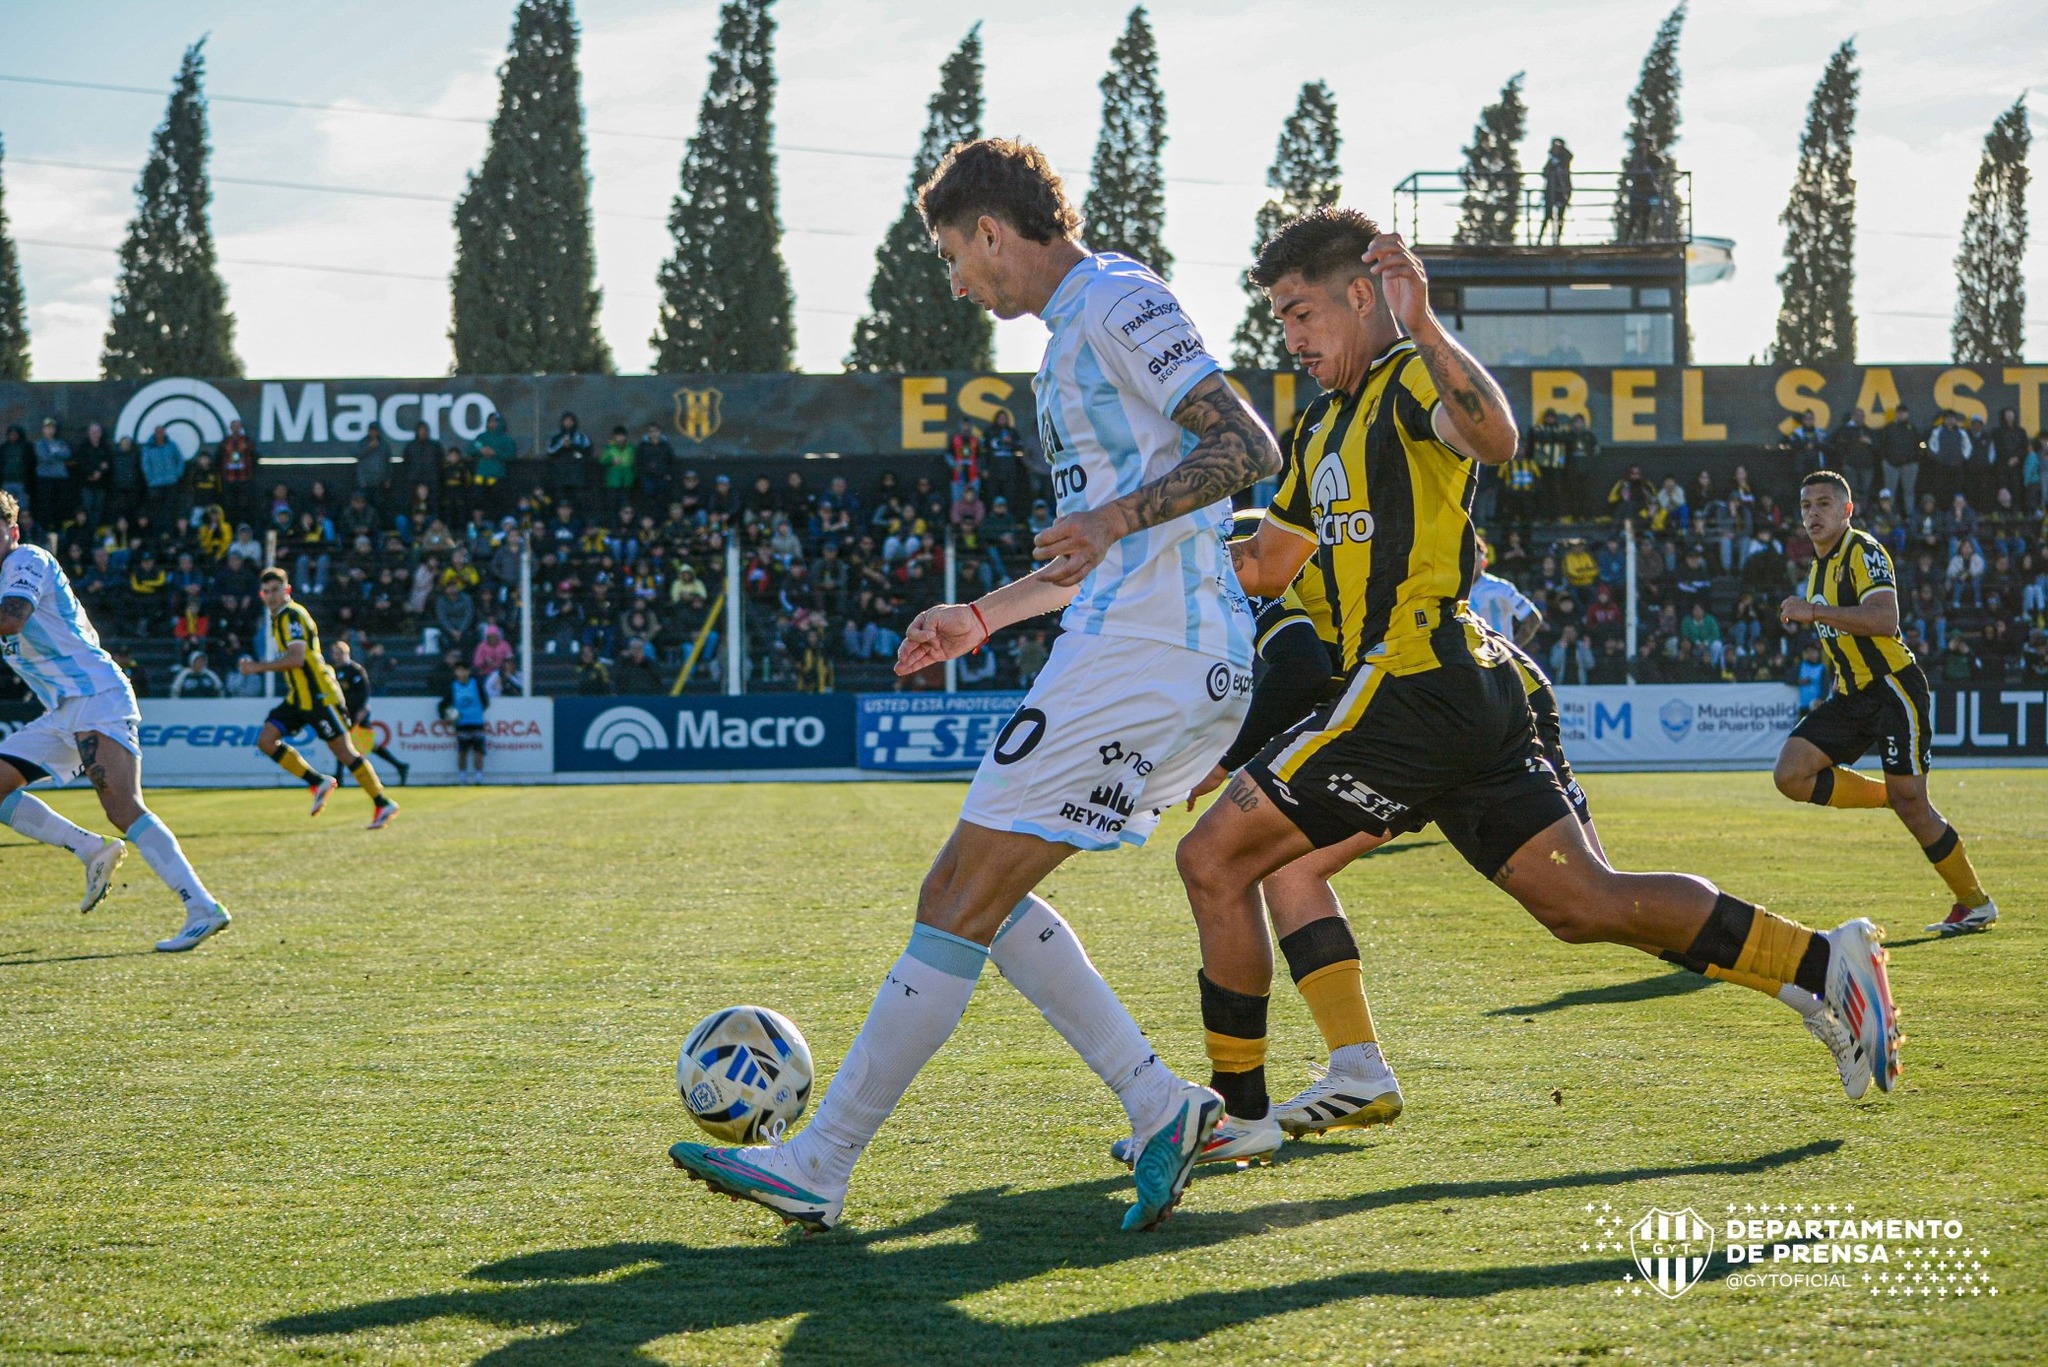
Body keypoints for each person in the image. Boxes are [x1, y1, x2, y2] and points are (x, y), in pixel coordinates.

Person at [1176, 207, 1898, 1155]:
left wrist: (1425, 323)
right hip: (1454, 702)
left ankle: (1240, 1114)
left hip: (1413, 685)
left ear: (1362, 296)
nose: (1292, 338)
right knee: (1581, 903)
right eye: (1279, 320)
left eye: (1301, 313)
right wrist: (1154, 560)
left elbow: (1496, 436)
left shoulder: (1406, 383)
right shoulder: (1318, 427)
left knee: (1216, 858)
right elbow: (1269, 560)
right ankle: (1820, 961)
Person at [668, 136, 1278, 1234]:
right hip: (1146, 646)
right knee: (982, 903)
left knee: (952, 894)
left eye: (954, 253)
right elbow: (1104, 544)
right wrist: (982, 615)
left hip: (1145, 652)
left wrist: (1109, 518)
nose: (954, 278)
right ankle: (1159, 1106)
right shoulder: (1068, 342)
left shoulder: (1111, 299)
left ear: (992, 231)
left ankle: (820, 1159)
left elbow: (1246, 443)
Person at [1772, 470, 1999, 937]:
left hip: (1894, 688)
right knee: (1791, 774)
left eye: (1823, 504)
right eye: (1806, 505)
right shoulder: (1817, 569)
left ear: (1846, 510)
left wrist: (1814, 611)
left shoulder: (1863, 550)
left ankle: (1975, 903)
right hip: (1853, 694)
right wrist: (1838, 673)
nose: (1813, 514)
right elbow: (1842, 637)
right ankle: (1891, 796)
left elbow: (1884, 618)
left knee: (1915, 807)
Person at [0, 491, 229, 951]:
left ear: (13, 531)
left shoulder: (26, 559)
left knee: (123, 806)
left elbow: (13, 619)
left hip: (97, 693)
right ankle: (90, 848)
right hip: (64, 708)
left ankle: (202, 907)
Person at [240, 568, 399, 830]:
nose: (271, 596)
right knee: (266, 741)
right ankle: (317, 781)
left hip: (319, 695)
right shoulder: (277, 618)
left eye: (276, 590)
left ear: (287, 590)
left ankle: (383, 802)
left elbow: (297, 658)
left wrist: (257, 667)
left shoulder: (291, 616)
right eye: (266, 592)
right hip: (298, 697)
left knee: (344, 752)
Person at [329, 639, 409, 786]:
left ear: (347, 654)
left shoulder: (355, 670)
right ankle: (399, 766)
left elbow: (365, 692)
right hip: (345, 714)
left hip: (357, 713)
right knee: (345, 744)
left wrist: (362, 709)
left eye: (340, 653)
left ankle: (398, 766)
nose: (337, 656)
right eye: (335, 653)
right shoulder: (334, 671)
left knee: (352, 744)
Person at [1468, 538, 1542, 644]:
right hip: (1463, 656)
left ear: (1484, 562)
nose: (1469, 560)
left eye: (1474, 555)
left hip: (1494, 656)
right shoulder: (1450, 589)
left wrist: (1513, 651)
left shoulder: (1500, 588)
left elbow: (1533, 618)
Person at [439, 658, 489, 785]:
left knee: (479, 752)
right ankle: (462, 778)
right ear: (456, 672)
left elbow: (485, 701)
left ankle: (478, 778)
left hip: (477, 723)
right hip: (462, 724)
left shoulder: (476, 684)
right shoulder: (453, 687)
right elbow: (443, 705)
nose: (462, 673)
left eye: (464, 670)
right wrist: (447, 718)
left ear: (468, 671)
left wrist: (476, 712)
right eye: (459, 670)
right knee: (463, 752)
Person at [1539, 137, 1572, 245]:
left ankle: (1557, 239)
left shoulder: (1565, 159)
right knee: (1548, 215)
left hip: (1562, 191)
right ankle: (1540, 239)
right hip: (1551, 190)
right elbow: (1544, 173)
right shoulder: (1552, 161)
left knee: (1560, 216)